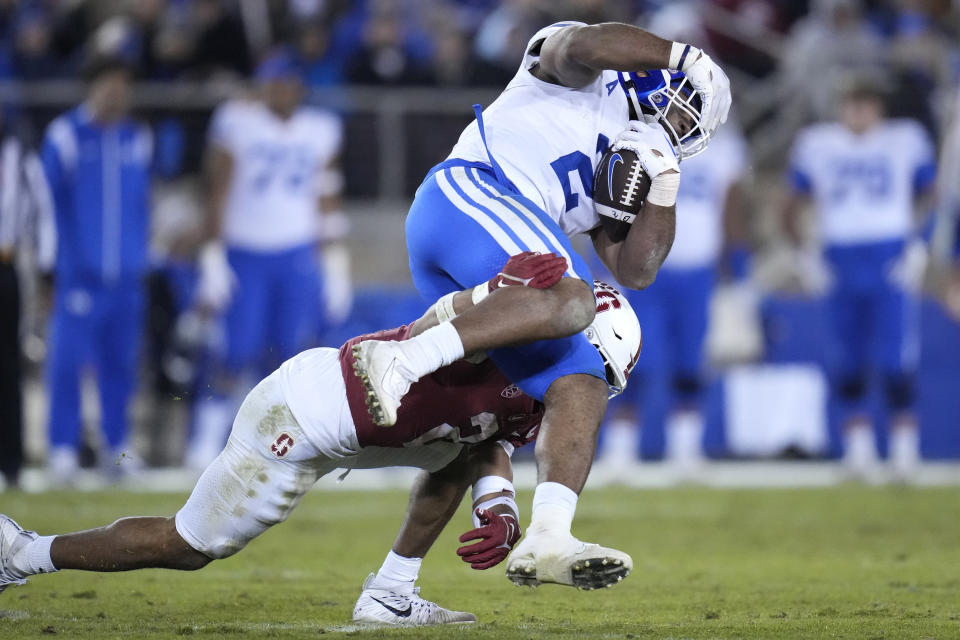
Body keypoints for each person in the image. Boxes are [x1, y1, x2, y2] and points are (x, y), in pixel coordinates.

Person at [0, 254, 643, 627]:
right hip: (302, 415)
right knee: (192, 545)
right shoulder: (511, 341)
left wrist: (497, 503)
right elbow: (436, 322)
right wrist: (488, 293)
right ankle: (24, 554)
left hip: (356, 433)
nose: (585, 392)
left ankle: (389, 594)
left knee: (452, 459)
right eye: (593, 375)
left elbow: (484, 439)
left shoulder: (536, 395)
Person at [350, 20, 730, 585]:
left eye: (683, 127)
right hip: (473, 192)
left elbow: (634, 270)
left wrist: (663, 179)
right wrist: (683, 54)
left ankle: (540, 539)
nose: (673, 126)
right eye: (679, 111)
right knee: (574, 300)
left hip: (495, 254)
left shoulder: (635, 155)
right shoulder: (581, 75)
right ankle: (400, 360)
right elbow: (580, 44)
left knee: (581, 375)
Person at [189, 49, 345, 469]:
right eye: (274, 83)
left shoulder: (320, 128)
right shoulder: (237, 123)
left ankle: (278, 443)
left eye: (289, 82)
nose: (282, 91)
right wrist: (211, 255)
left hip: (295, 253)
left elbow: (326, 194)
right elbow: (216, 191)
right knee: (234, 350)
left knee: (290, 355)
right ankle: (205, 442)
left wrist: (336, 263)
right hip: (244, 253)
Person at [783, 78, 936, 480]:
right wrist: (805, 254)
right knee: (846, 359)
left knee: (895, 359)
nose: (859, 113)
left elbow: (932, 194)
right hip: (839, 256)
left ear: (880, 108)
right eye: (853, 103)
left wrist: (920, 245)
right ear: (841, 105)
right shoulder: (818, 143)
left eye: (867, 104)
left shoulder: (905, 139)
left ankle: (905, 453)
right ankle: (859, 452)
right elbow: (790, 204)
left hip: (889, 255)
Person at [597, 121, 750, 474]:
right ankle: (621, 448)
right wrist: (606, 259)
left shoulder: (724, 146)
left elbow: (731, 209)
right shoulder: (637, 136)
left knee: (690, 362)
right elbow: (614, 205)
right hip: (646, 271)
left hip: (698, 269)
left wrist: (738, 266)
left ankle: (686, 447)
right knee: (634, 359)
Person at [40, 55, 153, 483]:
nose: (116, 92)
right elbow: (47, 205)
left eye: (123, 84)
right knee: (67, 363)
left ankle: (116, 449)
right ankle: (62, 448)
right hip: (78, 275)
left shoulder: (136, 137)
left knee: (121, 365)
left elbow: (142, 203)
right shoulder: (67, 135)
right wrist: (50, 270)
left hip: (126, 277)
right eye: (108, 83)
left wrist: (142, 256)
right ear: (93, 86)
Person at [0, 108, 55, 490]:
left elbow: (44, 212)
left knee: (7, 366)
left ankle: (11, 463)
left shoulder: (20, 158)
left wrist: (47, 268)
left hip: (5, 266)